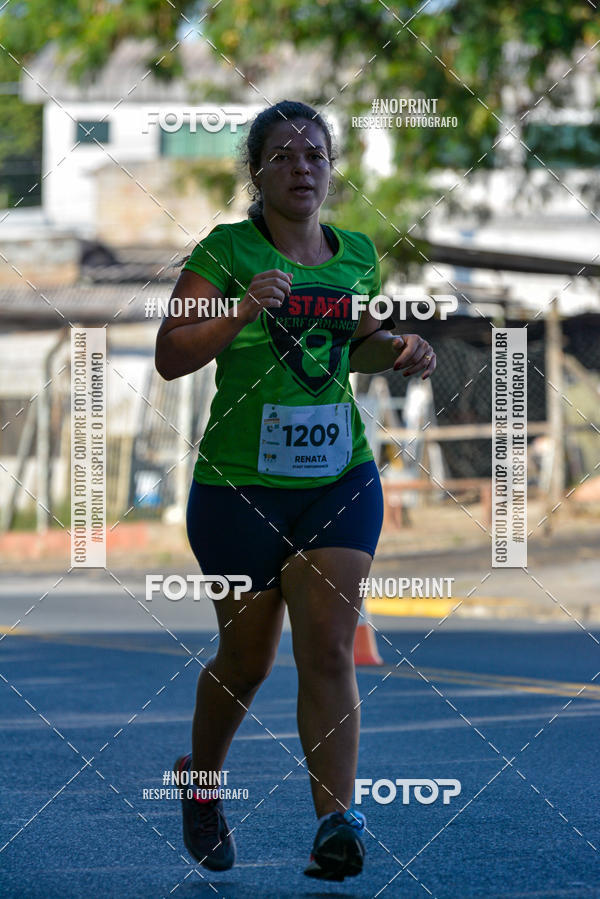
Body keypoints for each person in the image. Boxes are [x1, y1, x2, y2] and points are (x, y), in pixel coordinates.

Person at [155, 99, 436, 882]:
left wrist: (403, 350)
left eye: (314, 153)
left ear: (330, 168)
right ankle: (202, 782)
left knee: (326, 647)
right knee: (247, 661)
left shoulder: (355, 254)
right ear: (258, 172)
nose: (301, 166)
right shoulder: (226, 250)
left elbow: (355, 349)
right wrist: (244, 308)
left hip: (337, 480)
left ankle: (335, 822)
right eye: (281, 154)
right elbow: (171, 354)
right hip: (239, 490)